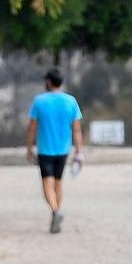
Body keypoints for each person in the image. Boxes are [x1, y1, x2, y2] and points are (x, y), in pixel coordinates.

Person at [25, 69, 84, 234]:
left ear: (49, 82)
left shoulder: (39, 101)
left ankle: (55, 211)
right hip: (63, 150)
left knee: (47, 184)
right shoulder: (71, 101)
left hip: (45, 150)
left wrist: (29, 148)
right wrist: (79, 152)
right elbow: (77, 130)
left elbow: (31, 128)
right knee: (58, 183)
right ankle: (55, 218)